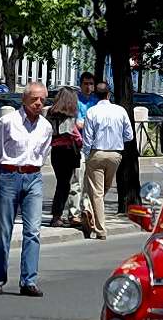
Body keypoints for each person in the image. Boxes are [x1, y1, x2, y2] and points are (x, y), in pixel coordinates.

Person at [0, 82, 53, 297]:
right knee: (4, 231)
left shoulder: (46, 126)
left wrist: (30, 170)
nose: (38, 103)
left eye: (42, 100)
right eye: (34, 99)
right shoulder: (7, 121)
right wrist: (5, 173)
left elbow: (43, 154)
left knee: (33, 230)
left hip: (33, 176)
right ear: (24, 99)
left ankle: (29, 281)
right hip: (8, 175)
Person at [81, 81, 133, 240]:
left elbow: (87, 137)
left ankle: (100, 228)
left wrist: (87, 154)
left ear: (96, 95)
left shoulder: (92, 111)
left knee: (97, 192)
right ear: (109, 94)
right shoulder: (120, 110)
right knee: (103, 189)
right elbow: (129, 135)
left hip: (97, 153)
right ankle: (92, 213)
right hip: (115, 155)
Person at [46, 87, 83, 227]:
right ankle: (56, 216)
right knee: (64, 184)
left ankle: (57, 215)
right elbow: (73, 134)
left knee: (61, 182)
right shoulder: (69, 115)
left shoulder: (50, 113)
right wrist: (81, 142)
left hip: (56, 151)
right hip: (68, 151)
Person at [66, 72, 98, 224]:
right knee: (77, 180)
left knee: (90, 181)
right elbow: (77, 123)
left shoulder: (96, 101)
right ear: (81, 84)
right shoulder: (75, 101)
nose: (88, 87)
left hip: (94, 146)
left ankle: (86, 211)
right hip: (79, 146)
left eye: (91, 84)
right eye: (85, 83)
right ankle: (74, 213)